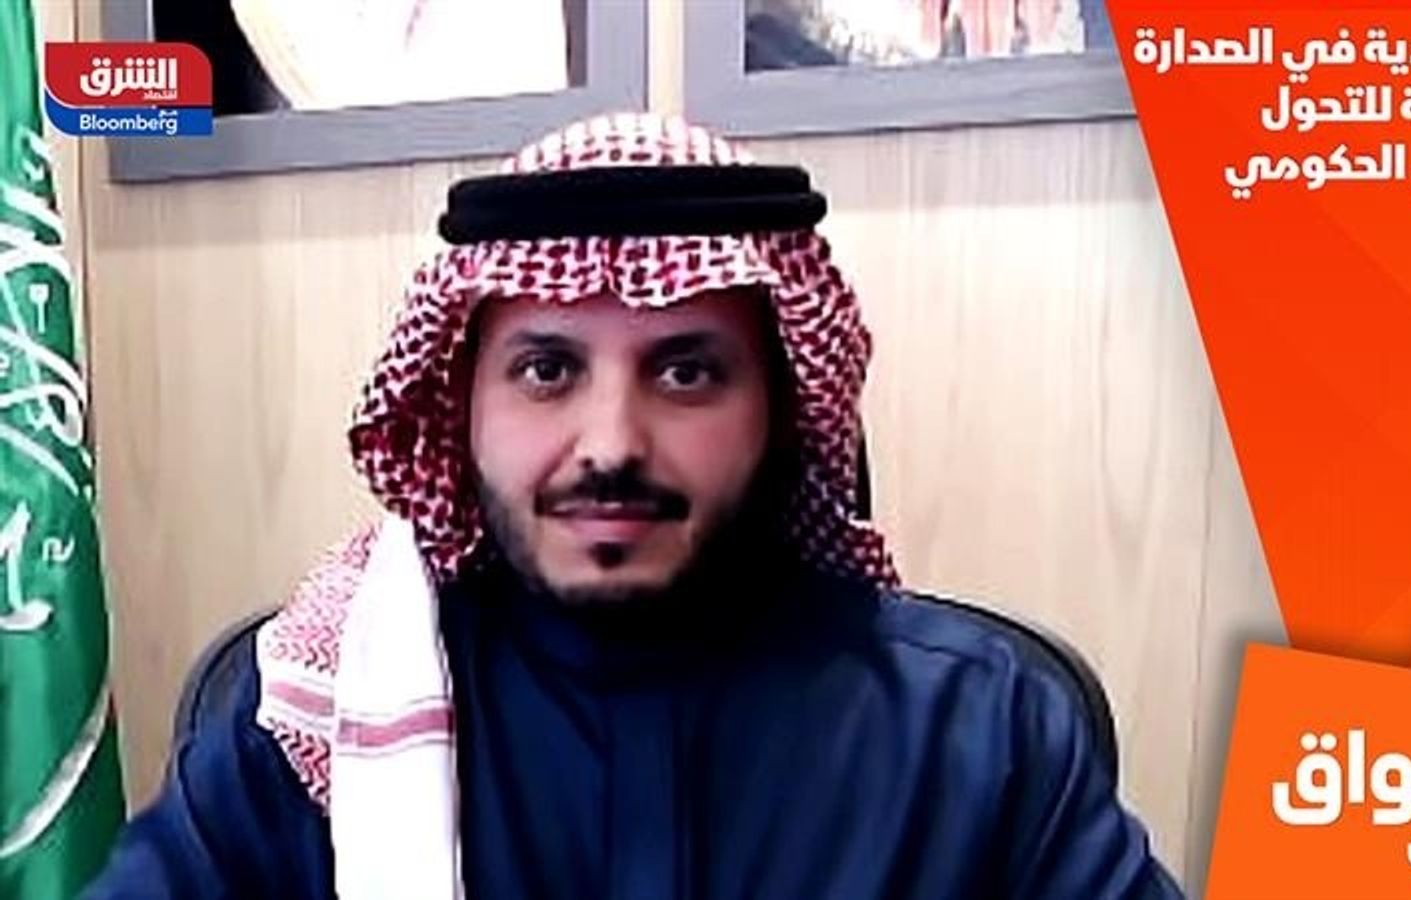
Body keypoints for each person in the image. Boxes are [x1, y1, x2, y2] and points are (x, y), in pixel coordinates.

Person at [85, 113, 1183, 899]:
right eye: (547, 370)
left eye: (688, 372)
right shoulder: (323, 706)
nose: (611, 443)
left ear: (783, 409)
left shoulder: (976, 730)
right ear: (460, 405)